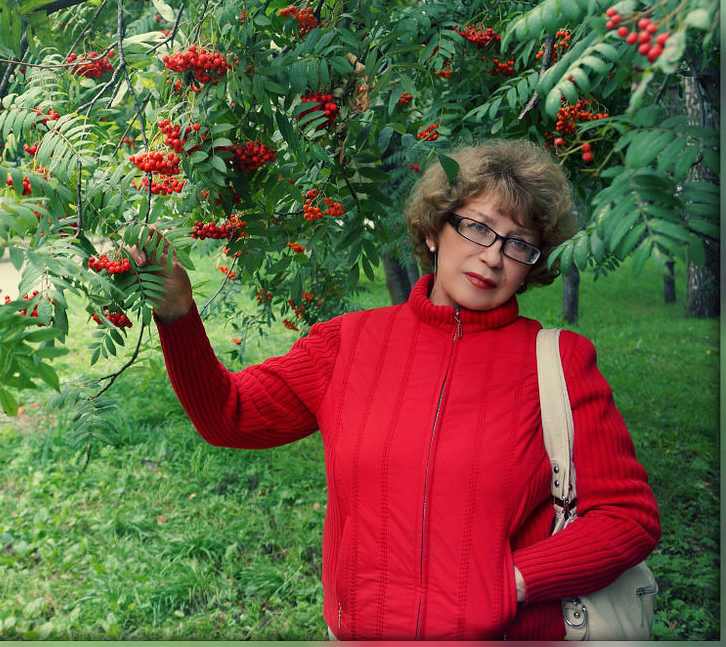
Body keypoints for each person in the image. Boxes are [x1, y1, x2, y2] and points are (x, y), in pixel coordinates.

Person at [130, 139, 661, 640]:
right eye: (477, 228)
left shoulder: (560, 361)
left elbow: (626, 518)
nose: (494, 256)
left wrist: (512, 581)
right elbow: (230, 415)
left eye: (518, 243)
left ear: (531, 266)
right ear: (433, 231)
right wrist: (177, 314)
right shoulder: (347, 343)